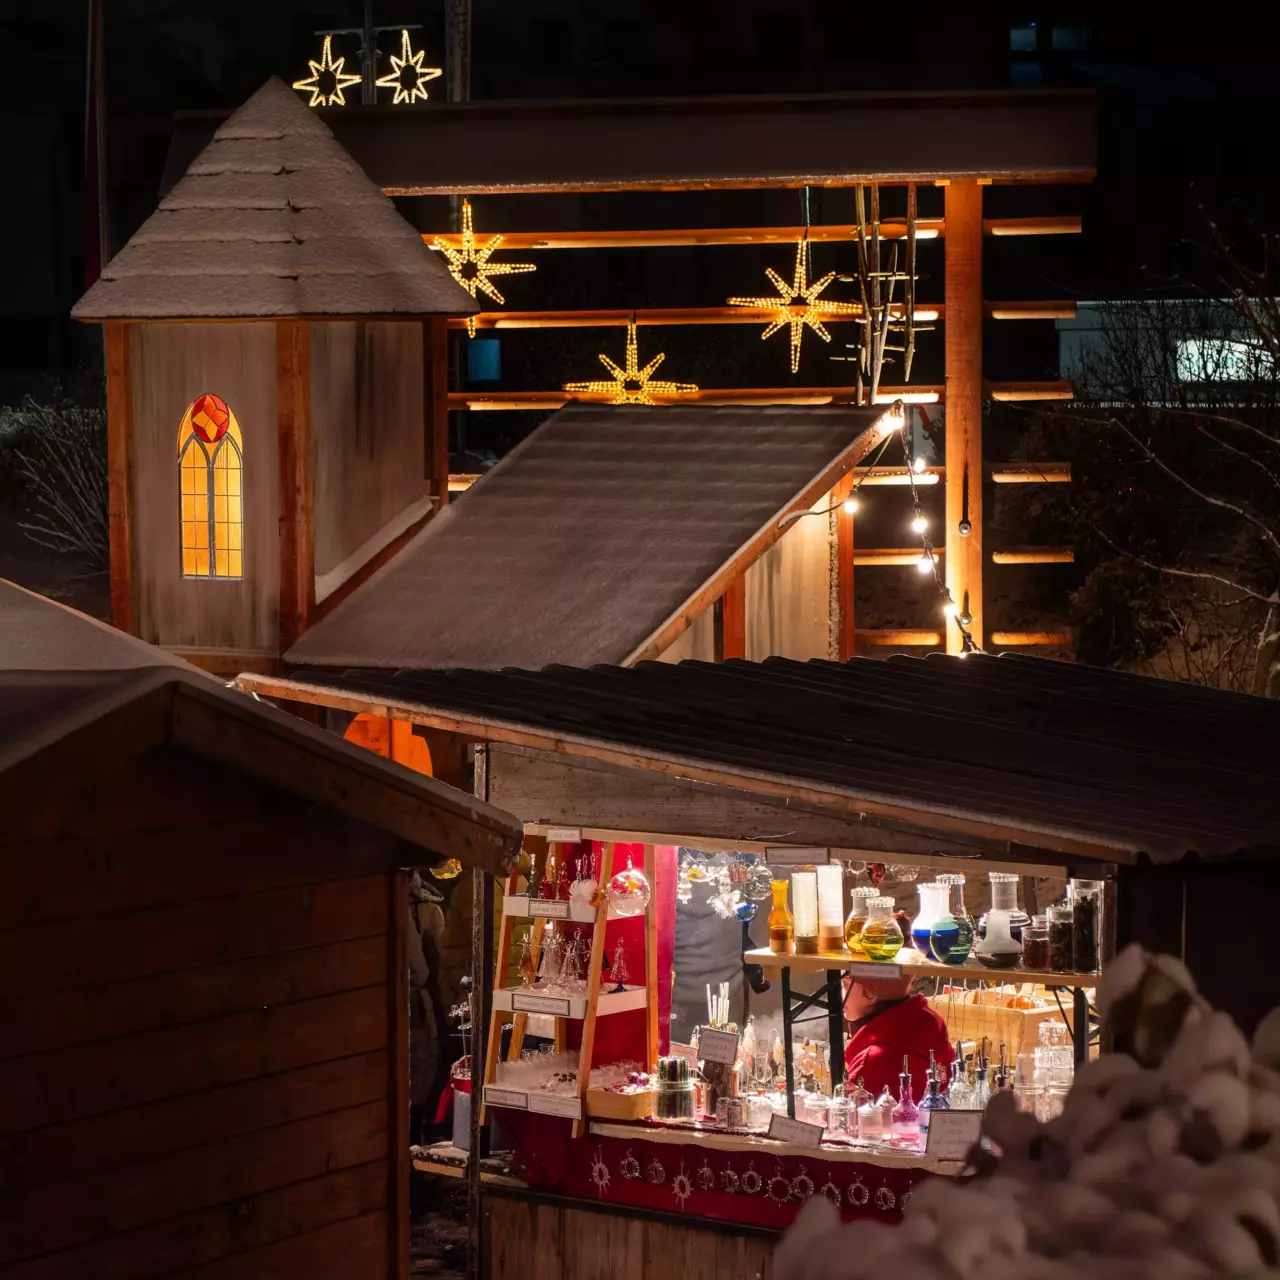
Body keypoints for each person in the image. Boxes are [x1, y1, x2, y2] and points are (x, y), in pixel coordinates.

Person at [842, 972, 953, 1101]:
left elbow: (846, 1118)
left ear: (870, 993)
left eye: (844, 984)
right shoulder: (930, 1029)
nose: (840, 996)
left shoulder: (872, 1062)